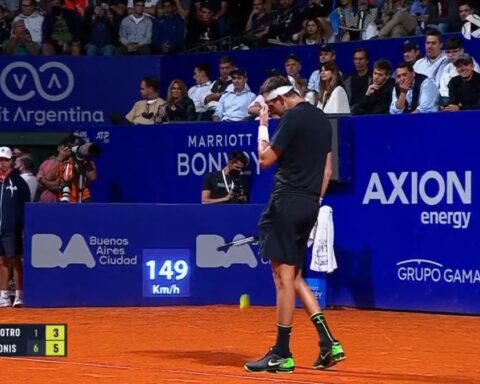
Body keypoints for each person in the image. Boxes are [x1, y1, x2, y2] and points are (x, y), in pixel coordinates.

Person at [244, 76, 344, 373]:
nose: (270, 112)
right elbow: (327, 169)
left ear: (280, 99)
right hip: (310, 204)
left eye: (270, 107)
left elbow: (264, 160)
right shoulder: (322, 119)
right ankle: (329, 343)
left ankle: (281, 353)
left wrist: (262, 127)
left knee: (282, 279)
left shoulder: (290, 118)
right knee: (296, 276)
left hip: (287, 202)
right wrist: (312, 200)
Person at [0, 147, 30, 308]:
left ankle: (19, 294)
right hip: (0, 228)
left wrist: (22, 225)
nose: (1, 163)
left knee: (15, 260)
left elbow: (26, 204)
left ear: (11, 161)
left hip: (13, 228)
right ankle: (3, 295)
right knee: (2, 261)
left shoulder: (18, 181)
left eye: (4, 160)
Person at [45, 134, 98, 203]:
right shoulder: (61, 162)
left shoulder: (86, 162)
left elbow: (93, 177)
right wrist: (59, 159)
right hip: (65, 199)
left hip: (83, 198)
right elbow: (49, 177)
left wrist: (83, 159)